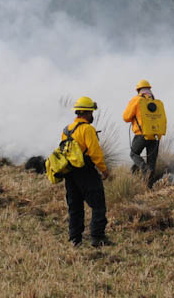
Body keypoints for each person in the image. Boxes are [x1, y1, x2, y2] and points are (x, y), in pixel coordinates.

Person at [63, 96, 111, 247]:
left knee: (75, 206)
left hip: (70, 172)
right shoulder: (88, 129)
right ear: (88, 113)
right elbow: (95, 153)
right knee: (98, 205)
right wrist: (104, 170)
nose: (93, 116)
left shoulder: (67, 129)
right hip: (86, 172)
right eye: (92, 112)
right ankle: (97, 238)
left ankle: (75, 239)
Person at [122, 79, 164, 187]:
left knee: (134, 154)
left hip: (141, 134)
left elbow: (126, 117)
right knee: (152, 162)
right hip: (155, 136)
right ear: (149, 89)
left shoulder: (136, 100)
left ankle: (144, 168)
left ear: (138, 90)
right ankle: (149, 187)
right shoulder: (156, 102)